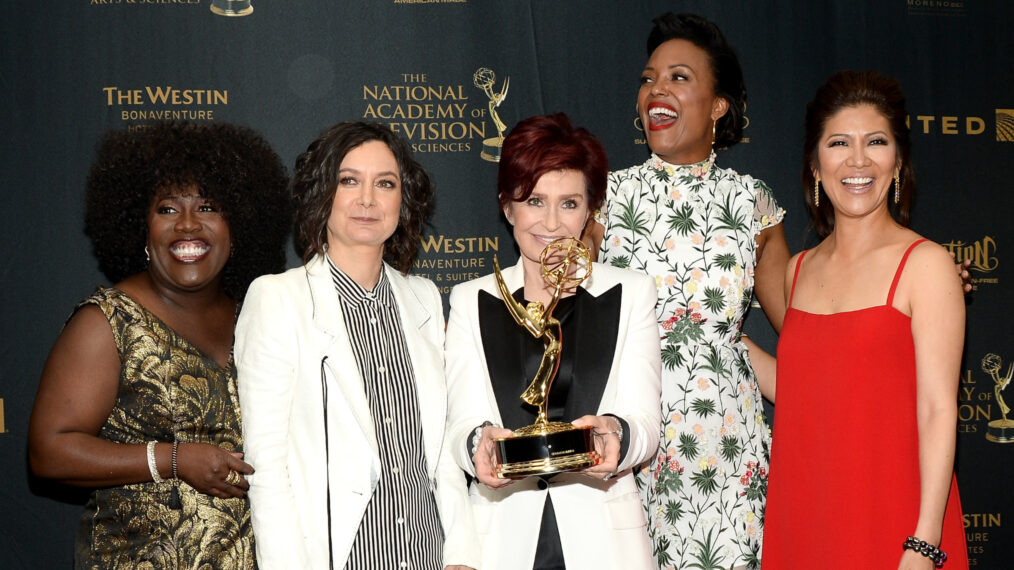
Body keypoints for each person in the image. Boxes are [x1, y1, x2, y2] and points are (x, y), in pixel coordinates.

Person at [27, 121, 291, 569]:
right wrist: (171, 459)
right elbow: (49, 451)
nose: (188, 225)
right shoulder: (109, 321)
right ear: (139, 227)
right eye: (168, 209)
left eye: (208, 206)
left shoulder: (258, 317)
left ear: (239, 223)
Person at [585, 13, 787, 568]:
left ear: (719, 106)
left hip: (729, 450)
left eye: (679, 77)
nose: (657, 90)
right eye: (649, 78)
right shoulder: (604, 198)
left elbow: (805, 320)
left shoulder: (754, 204)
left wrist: (914, 280)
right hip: (627, 450)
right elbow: (559, 308)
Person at [234, 121, 478, 570]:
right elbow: (265, 467)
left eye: (385, 183)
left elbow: (441, 446)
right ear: (321, 194)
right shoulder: (277, 299)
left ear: (402, 202)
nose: (367, 199)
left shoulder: (423, 297)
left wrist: (461, 554)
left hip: (430, 555)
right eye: (349, 181)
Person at [760, 70, 968, 569]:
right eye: (839, 143)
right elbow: (805, 390)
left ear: (897, 161)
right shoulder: (798, 271)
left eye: (876, 141)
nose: (858, 160)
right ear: (815, 163)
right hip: (808, 517)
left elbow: (939, 410)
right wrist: (719, 342)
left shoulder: (925, 264)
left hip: (895, 521)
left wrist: (923, 542)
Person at [444, 112, 662, 570]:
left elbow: (645, 421)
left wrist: (617, 435)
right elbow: (462, 420)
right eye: (534, 200)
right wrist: (476, 447)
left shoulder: (630, 293)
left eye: (568, 203)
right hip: (501, 540)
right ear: (508, 207)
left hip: (605, 542)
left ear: (589, 210)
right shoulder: (471, 300)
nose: (551, 221)